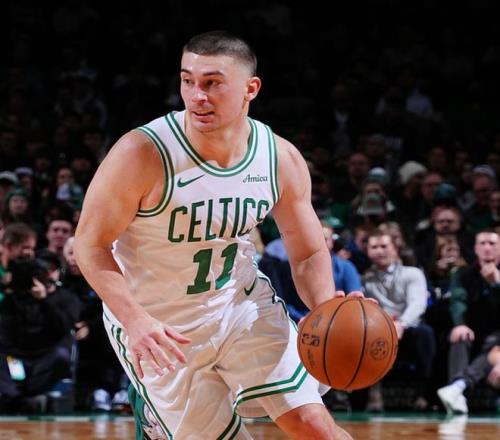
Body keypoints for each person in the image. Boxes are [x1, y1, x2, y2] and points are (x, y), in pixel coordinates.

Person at [74, 31, 364, 439]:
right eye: (187, 81)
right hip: (161, 328)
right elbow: (89, 245)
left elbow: (308, 253)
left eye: (212, 83)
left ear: (250, 89)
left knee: (313, 424)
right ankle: (153, 409)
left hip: (239, 306)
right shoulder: (141, 153)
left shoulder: (278, 157)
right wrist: (135, 320)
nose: (197, 96)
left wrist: (326, 310)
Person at [363, 229, 435, 411]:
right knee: (363, 335)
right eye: (374, 247)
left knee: (425, 334)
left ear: (395, 249)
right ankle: (374, 391)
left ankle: (422, 394)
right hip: (379, 329)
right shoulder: (365, 278)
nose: (380, 251)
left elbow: (418, 303)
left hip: (408, 326)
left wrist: (401, 323)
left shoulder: (413, 273)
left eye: (384, 246)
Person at [437, 230, 500, 414]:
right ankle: (458, 397)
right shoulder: (463, 274)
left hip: (498, 338)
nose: (487, 248)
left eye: (492, 243)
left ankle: (457, 386)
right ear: (475, 249)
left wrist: (496, 284)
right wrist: (460, 323)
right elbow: (458, 301)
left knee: (494, 347)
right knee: (459, 335)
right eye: (482, 243)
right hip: (475, 332)